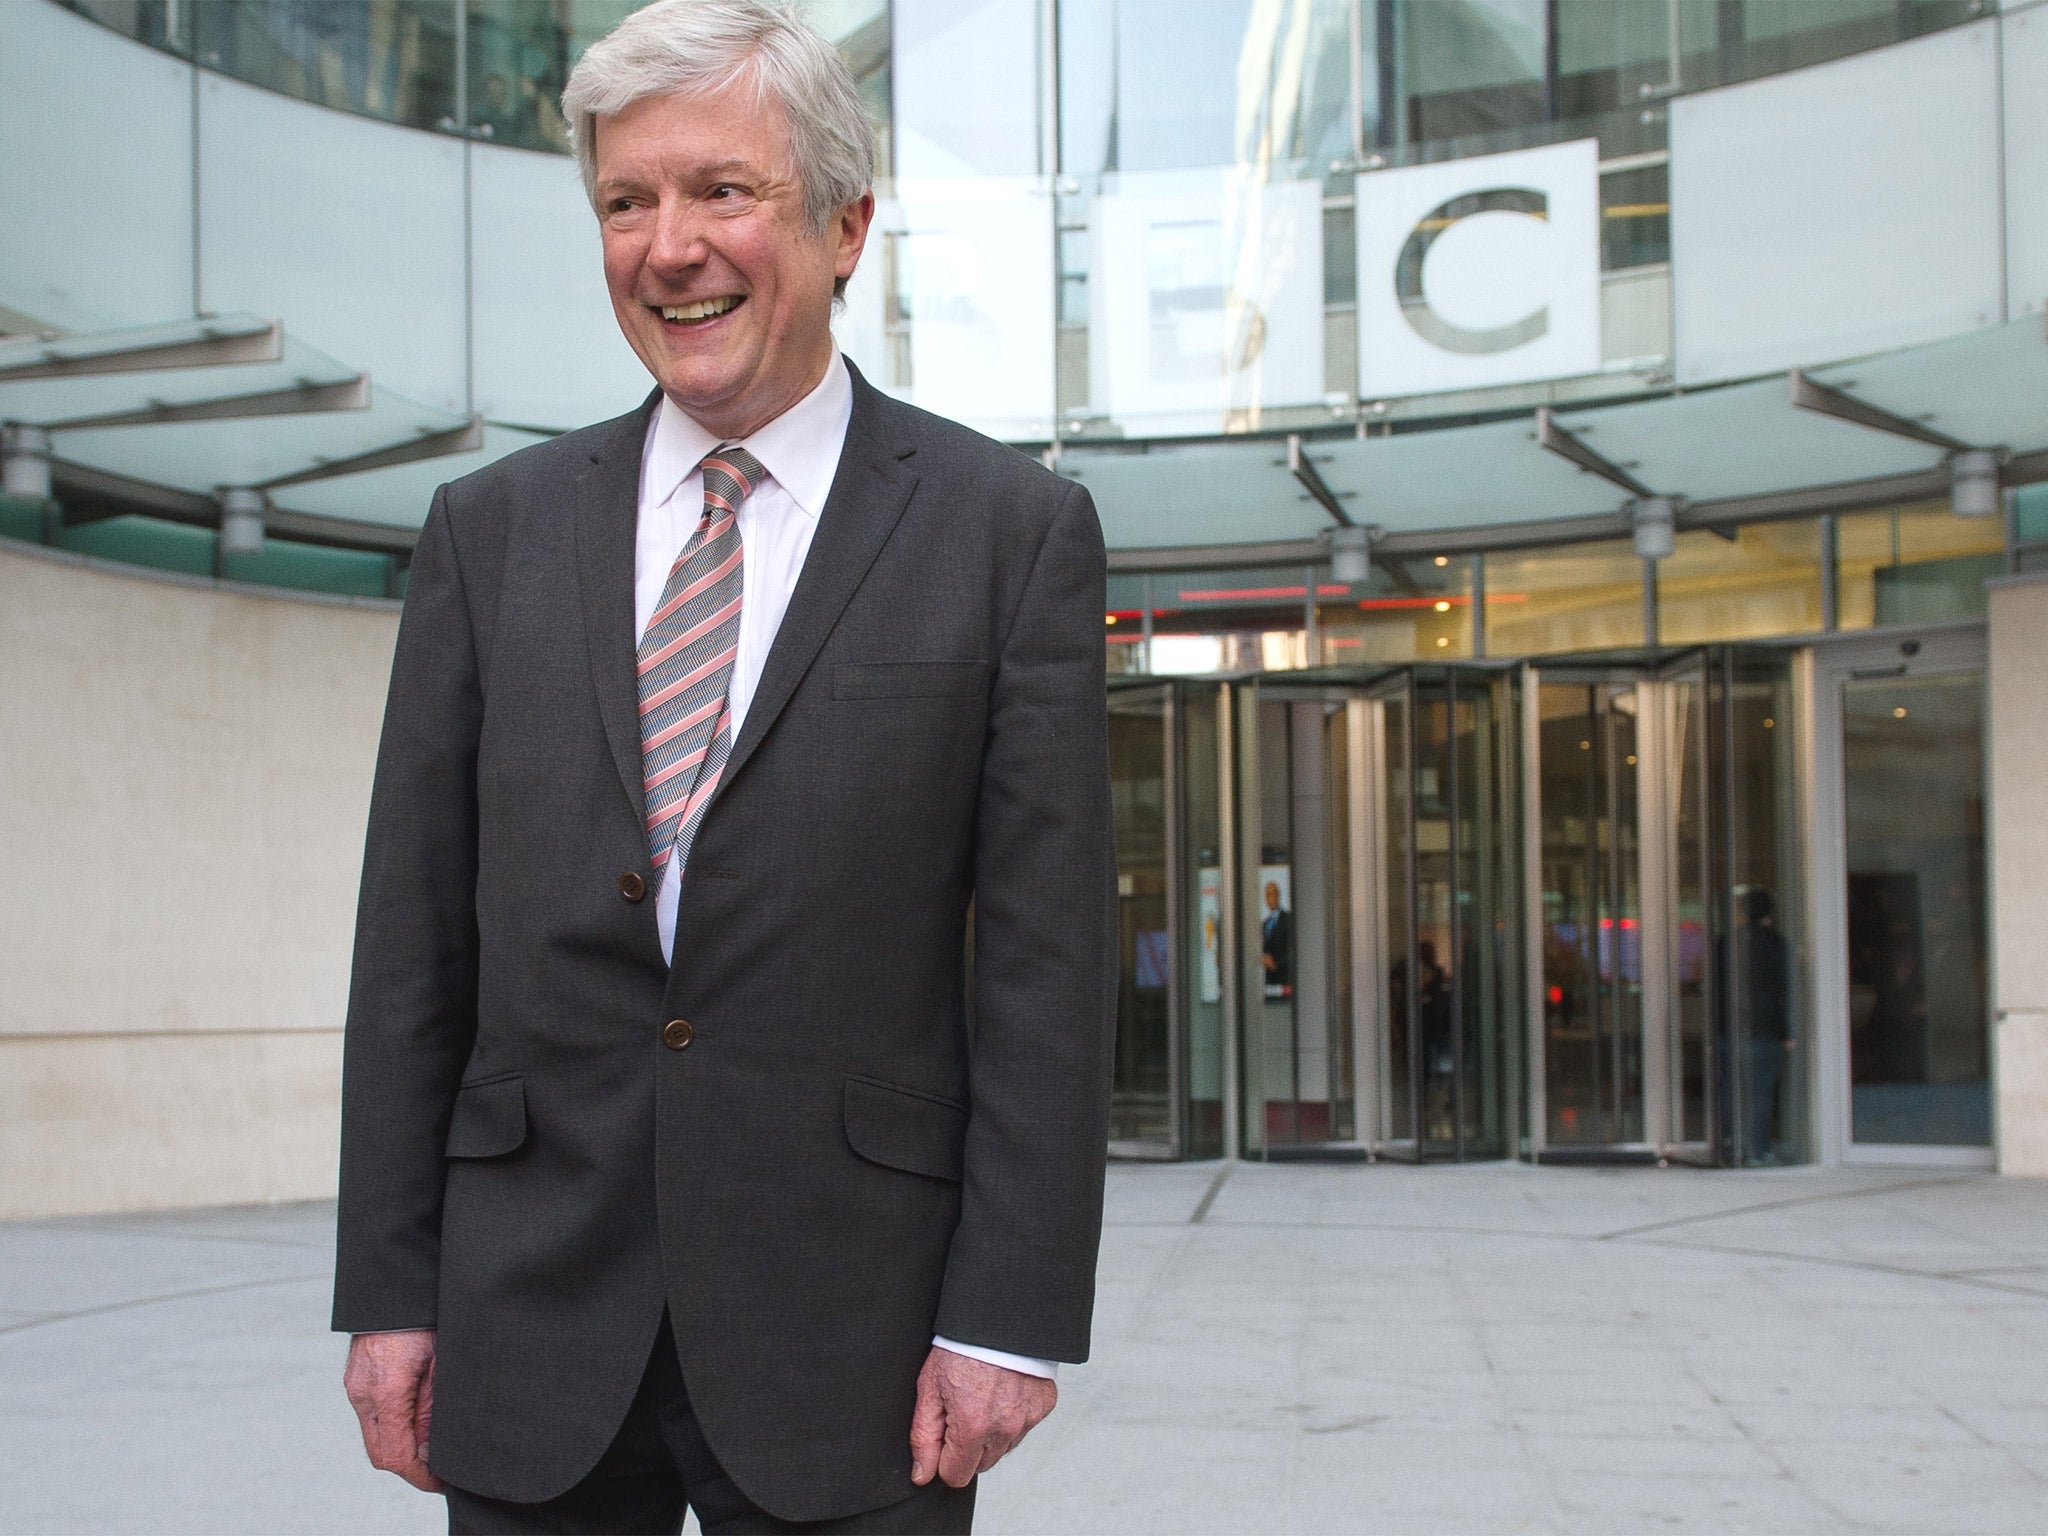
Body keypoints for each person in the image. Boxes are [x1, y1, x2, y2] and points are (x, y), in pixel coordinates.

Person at [331, 4, 1116, 1532]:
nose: (669, 246)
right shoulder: (489, 535)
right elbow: (411, 945)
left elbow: (1046, 962)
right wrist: (389, 1290)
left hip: (861, 1338)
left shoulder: (1007, 535)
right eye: (628, 201)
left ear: (844, 225)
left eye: (722, 192)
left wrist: (1010, 1317)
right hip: (530, 1313)